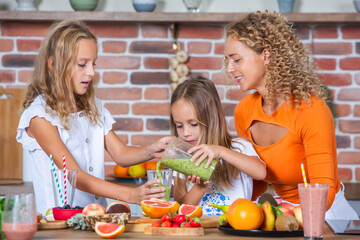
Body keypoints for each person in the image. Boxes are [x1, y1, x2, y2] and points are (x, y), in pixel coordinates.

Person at [16, 19, 169, 215]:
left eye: (93, 63)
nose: (92, 72)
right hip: (59, 224)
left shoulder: (93, 107)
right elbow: (74, 176)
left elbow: (121, 155)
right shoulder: (39, 116)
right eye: (82, 64)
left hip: (95, 217)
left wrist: (152, 150)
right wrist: (130, 196)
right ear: (53, 65)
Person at [225, 11, 358, 220]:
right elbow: (257, 182)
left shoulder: (311, 110)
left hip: (327, 215)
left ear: (266, 55)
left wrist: (292, 218)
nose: (229, 68)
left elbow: (325, 188)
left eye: (236, 60)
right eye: (227, 60)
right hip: (284, 213)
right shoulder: (243, 111)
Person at [170, 77, 266, 215]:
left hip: (236, 230)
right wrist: (199, 188)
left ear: (212, 119)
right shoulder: (180, 160)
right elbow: (180, 210)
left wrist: (221, 152)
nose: (186, 133)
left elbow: (260, 172)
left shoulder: (238, 147)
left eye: (194, 124)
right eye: (179, 125)